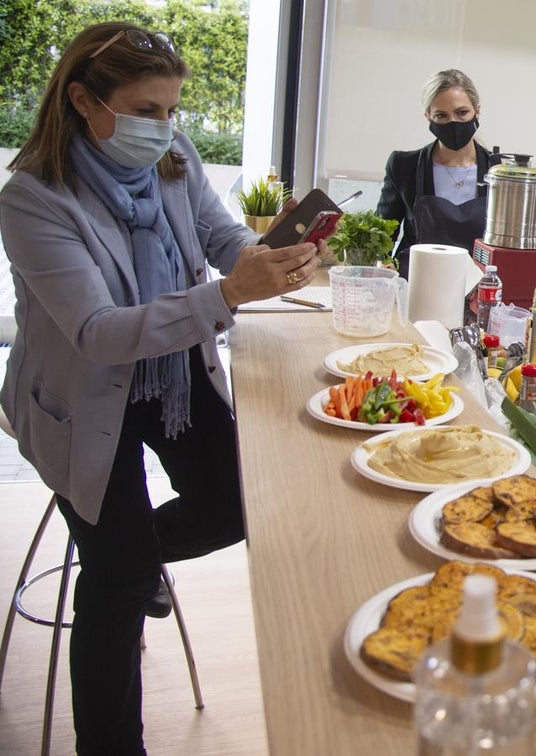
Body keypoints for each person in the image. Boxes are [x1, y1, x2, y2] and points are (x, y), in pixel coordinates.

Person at [0, 21, 321, 753]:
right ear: (83, 99)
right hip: (80, 400)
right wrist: (227, 298)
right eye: (147, 111)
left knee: (242, 503)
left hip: (170, 373)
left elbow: (218, 236)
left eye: (172, 110)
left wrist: (267, 258)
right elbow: (99, 332)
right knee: (112, 589)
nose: (165, 128)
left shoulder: (172, 157)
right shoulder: (32, 200)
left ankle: (133, 559)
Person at [376, 68, 495, 277]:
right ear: (428, 117)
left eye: (462, 113)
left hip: (478, 290)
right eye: (441, 115)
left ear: (477, 110)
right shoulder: (404, 166)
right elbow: (382, 237)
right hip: (413, 284)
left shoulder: (498, 173)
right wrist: (381, 268)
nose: (453, 122)